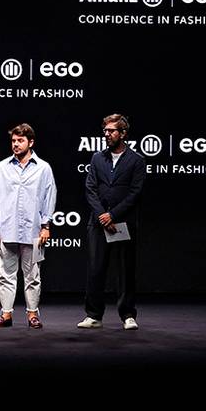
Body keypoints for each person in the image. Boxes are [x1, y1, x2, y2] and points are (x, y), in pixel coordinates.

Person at [78, 113, 145, 330]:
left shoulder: (136, 160)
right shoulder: (97, 158)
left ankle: (128, 315)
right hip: (98, 223)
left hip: (122, 223)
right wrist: (102, 216)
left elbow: (135, 193)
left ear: (123, 133)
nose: (106, 134)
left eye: (111, 130)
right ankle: (94, 315)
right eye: (105, 130)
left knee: (124, 271)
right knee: (95, 269)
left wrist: (113, 215)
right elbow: (90, 188)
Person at [0, 123, 56, 329]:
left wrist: (46, 225)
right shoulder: (2, 167)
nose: (16, 145)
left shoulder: (43, 168)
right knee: (5, 274)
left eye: (20, 141)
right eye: (13, 141)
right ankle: (6, 314)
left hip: (34, 230)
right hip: (7, 229)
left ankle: (32, 314)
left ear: (31, 142)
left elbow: (49, 197)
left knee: (33, 274)